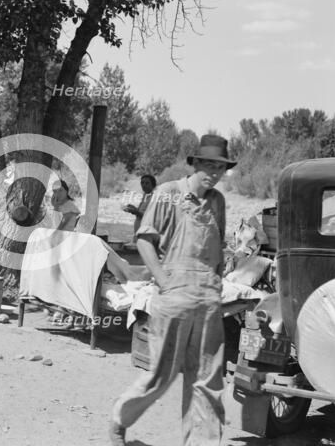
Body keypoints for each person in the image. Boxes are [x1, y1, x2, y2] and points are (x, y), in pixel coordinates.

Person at [110, 134, 235, 446]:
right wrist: (164, 281)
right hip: (175, 295)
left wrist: (217, 287)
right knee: (160, 376)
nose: (215, 172)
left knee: (207, 380)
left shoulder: (218, 201)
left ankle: (202, 442)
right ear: (195, 164)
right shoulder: (168, 193)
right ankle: (119, 420)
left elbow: (218, 246)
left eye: (220, 167)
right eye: (208, 165)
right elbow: (143, 240)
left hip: (207, 299)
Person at [123, 174, 157, 240]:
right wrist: (134, 208)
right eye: (142, 183)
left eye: (147, 183)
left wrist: (135, 212)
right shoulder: (145, 195)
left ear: (153, 185)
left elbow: (150, 217)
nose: (144, 185)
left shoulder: (154, 198)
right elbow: (142, 212)